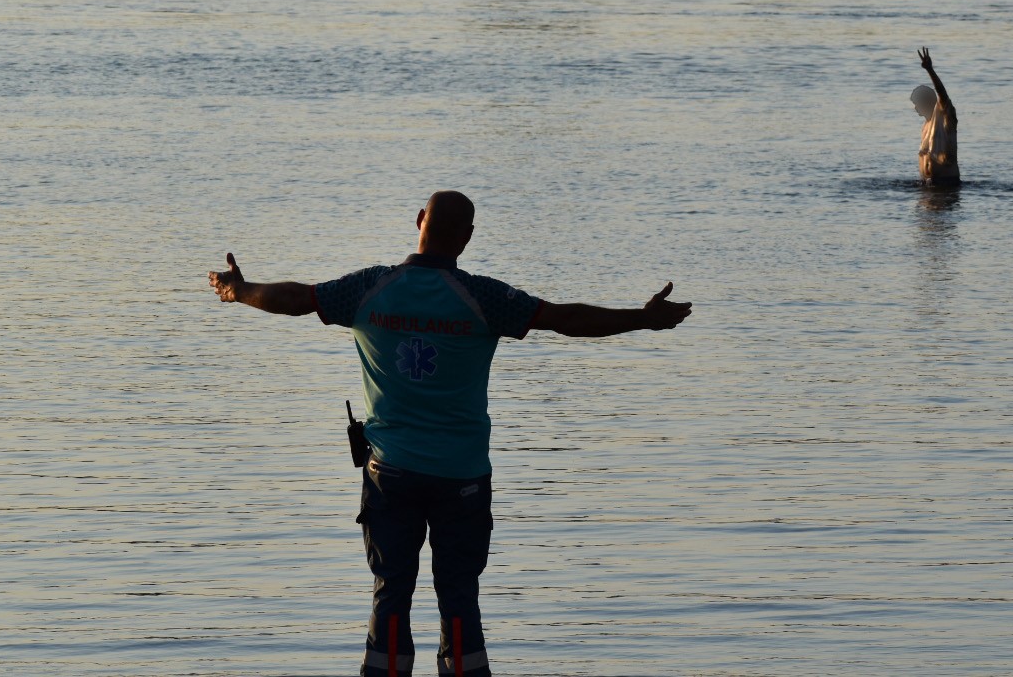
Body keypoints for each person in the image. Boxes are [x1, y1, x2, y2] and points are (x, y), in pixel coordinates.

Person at [206, 190, 692, 677]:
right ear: (467, 238)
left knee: (391, 591)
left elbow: (295, 298)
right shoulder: (486, 298)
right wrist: (643, 320)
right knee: (459, 596)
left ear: (419, 220)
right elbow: (568, 319)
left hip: (390, 476)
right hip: (463, 479)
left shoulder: (369, 288)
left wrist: (239, 291)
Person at [910, 47, 960, 187]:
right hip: (928, 185)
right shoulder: (925, 126)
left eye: (918, 102)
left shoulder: (945, 116)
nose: (916, 107)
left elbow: (942, 94)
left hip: (947, 184)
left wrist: (930, 70)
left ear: (929, 100)